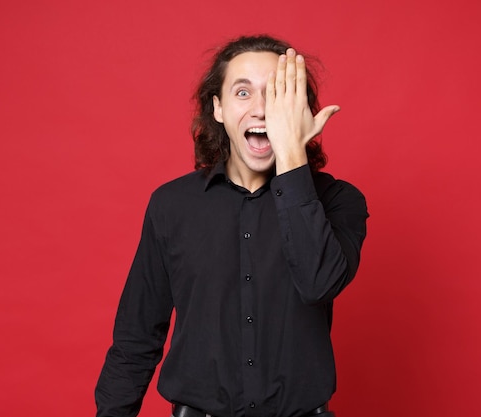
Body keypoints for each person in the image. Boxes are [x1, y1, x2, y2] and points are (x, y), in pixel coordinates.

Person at [95, 34, 369, 417]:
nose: (261, 110)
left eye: (276, 94)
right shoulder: (171, 205)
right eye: (243, 93)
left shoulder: (340, 202)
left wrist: (291, 153)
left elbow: (317, 281)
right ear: (218, 109)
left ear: (298, 110)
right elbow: (136, 339)